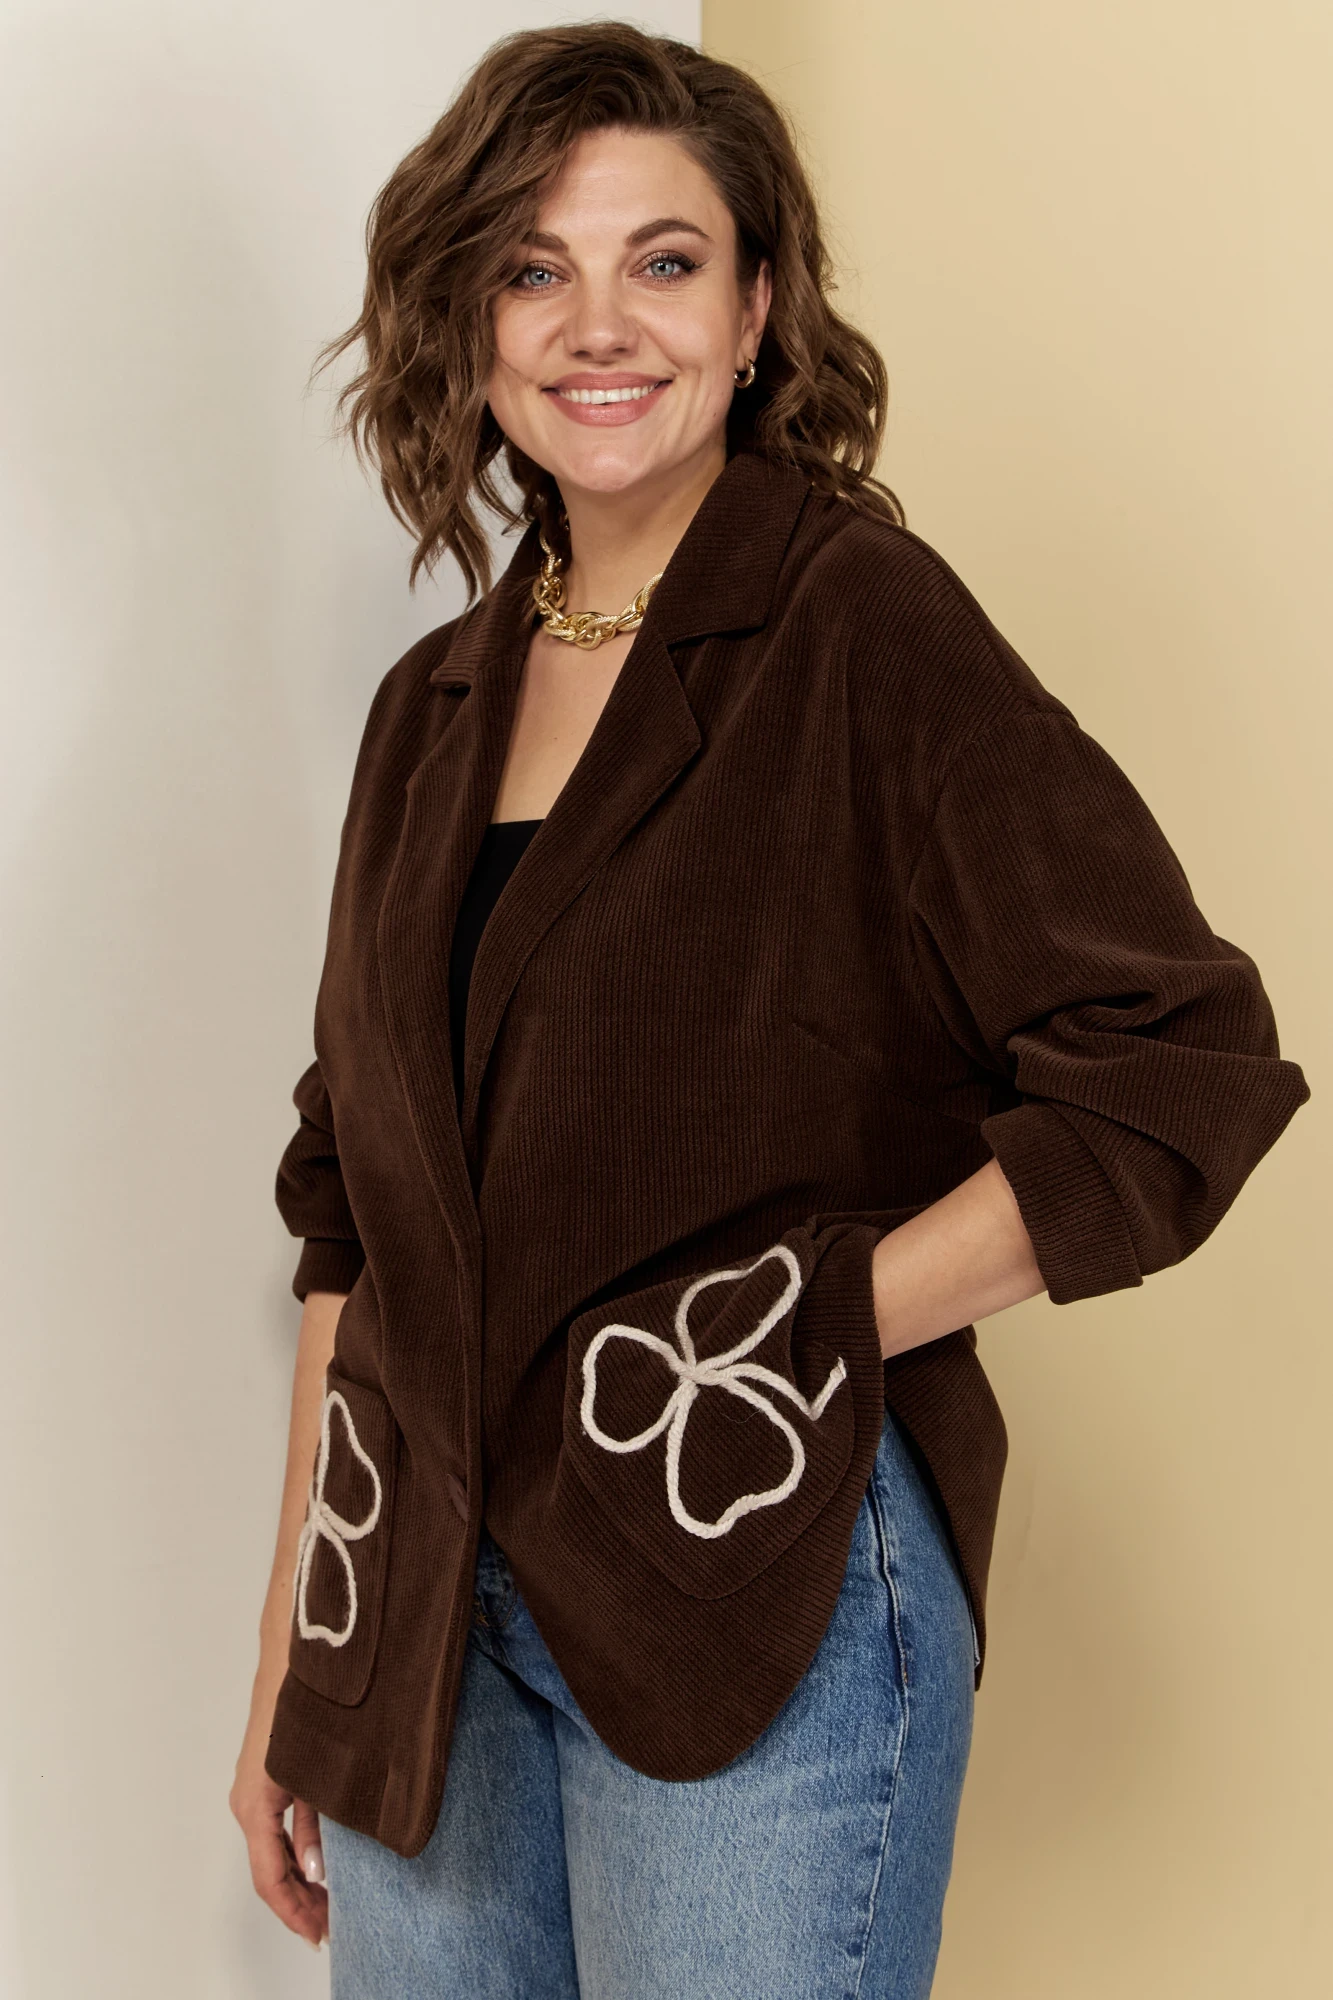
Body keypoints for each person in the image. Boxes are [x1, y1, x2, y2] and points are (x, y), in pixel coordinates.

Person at [228, 23, 1308, 1998]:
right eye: (534, 268)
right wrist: (304, 1662)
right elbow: (350, 1221)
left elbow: (1180, 1068)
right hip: (421, 1626)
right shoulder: (430, 711)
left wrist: (803, 1323)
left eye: (664, 260)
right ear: (471, 325)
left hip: (747, 1575)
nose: (597, 323)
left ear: (755, 311)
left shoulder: (856, 627)